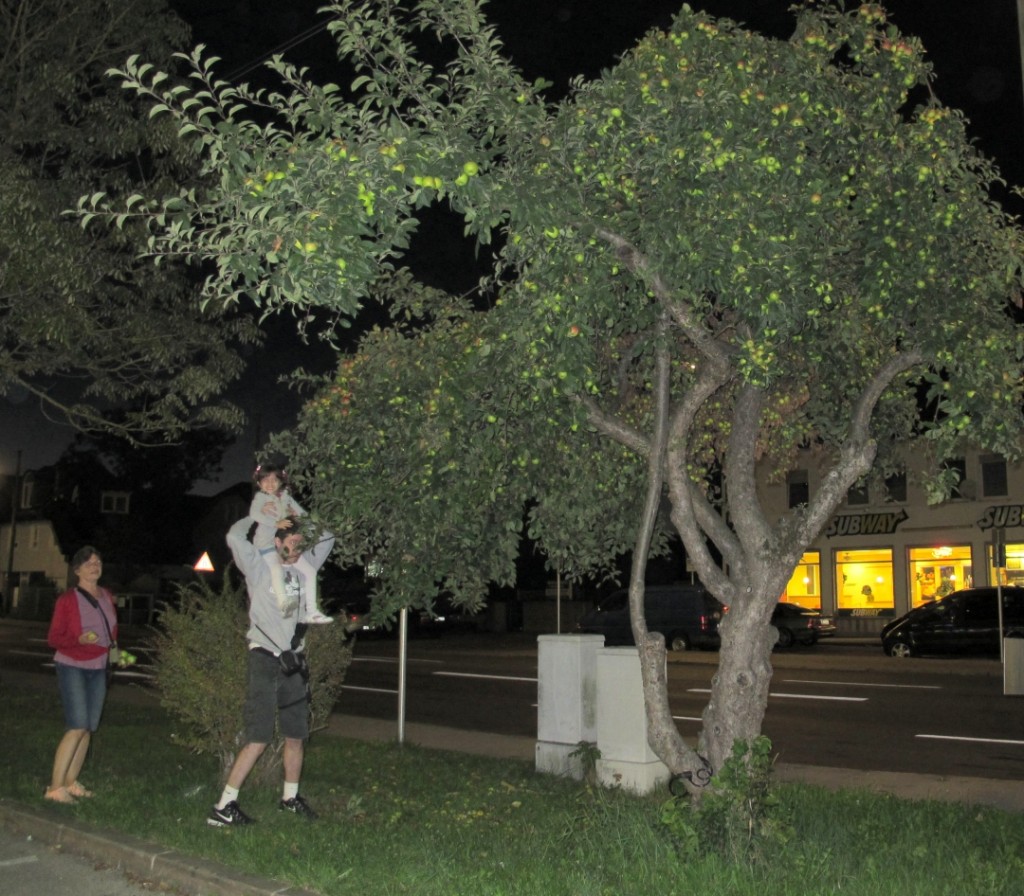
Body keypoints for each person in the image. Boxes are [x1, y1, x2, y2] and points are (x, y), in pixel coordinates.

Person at [207, 511, 335, 827]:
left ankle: (290, 798)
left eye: (300, 543)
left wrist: (298, 512)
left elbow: (329, 536)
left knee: (295, 733)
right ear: (277, 542)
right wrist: (261, 516)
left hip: (293, 661)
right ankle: (224, 807)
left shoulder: (305, 568)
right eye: (291, 541)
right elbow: (235, 536)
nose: (297, 548)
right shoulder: (259, 568)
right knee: (259, 735)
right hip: (264, 658)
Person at [45, 546, 117, 804]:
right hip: (72, 665)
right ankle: (54, 788)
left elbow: (111, 635)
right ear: (77, 570)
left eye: (97, 561)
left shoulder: (107, 596)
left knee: (88, 728)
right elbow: (54, 638)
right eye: (88, 563)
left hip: (98, 668)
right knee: (77, 725)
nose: (95, 565)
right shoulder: (67, 600)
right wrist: (80, 639)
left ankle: (70, 782)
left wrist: (117, 657)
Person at [250, 463, 332, 624]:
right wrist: (275, 523)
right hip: (266, 545)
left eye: (274, 480)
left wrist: (300, 518)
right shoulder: (261, 498)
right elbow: (254, 514)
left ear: (281, 482)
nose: (270, 483)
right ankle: (283, 603)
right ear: (259, 483)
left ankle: (312, 611)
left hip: (283, 547)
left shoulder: (286, 497)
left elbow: (302, 514)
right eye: (265, 480)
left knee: (310, 572)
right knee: (276, 569)